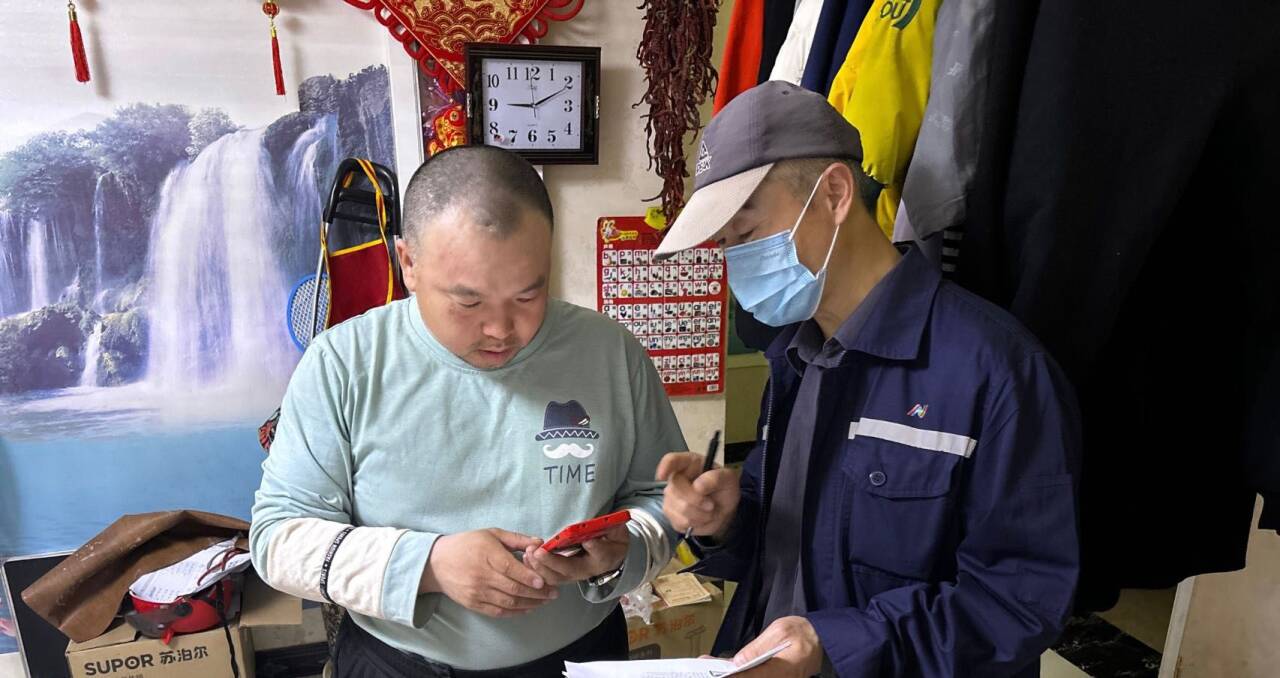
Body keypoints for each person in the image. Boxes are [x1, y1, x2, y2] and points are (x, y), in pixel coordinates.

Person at [655, 81, 1082, 677]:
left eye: (746, 235)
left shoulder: (998, 372)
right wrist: (727, 520)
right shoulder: (796, 358)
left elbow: (1018, 603)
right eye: (725, 244)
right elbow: (795, 551)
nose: (735, 262)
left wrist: (832, 644)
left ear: (834, 193)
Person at [250, 146, 685, 677]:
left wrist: (621, 555)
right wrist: (427, 565)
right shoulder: (344, 363)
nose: (501, 329)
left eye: (528, 295)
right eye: (468, 302)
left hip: (580, 656)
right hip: (398, 664)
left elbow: (661, 501)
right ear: (408, 263)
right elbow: (278, 540)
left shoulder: (610, 352)